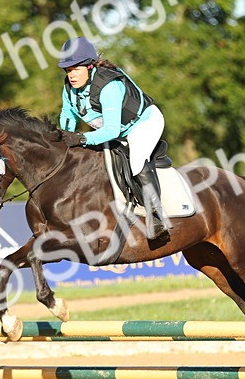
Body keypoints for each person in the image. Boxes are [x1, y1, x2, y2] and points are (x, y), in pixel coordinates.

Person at [56, 37, 171, 240]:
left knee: (136, 161)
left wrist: (81, 138)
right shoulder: (69, 89)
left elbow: (111, 131)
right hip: (116, 129)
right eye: (68, 70)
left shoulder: (109, 86)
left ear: (89, 66)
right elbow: (68, 116)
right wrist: (63, 140)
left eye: (75, 69)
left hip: (143, 124)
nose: (71, 75)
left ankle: (157, 217)